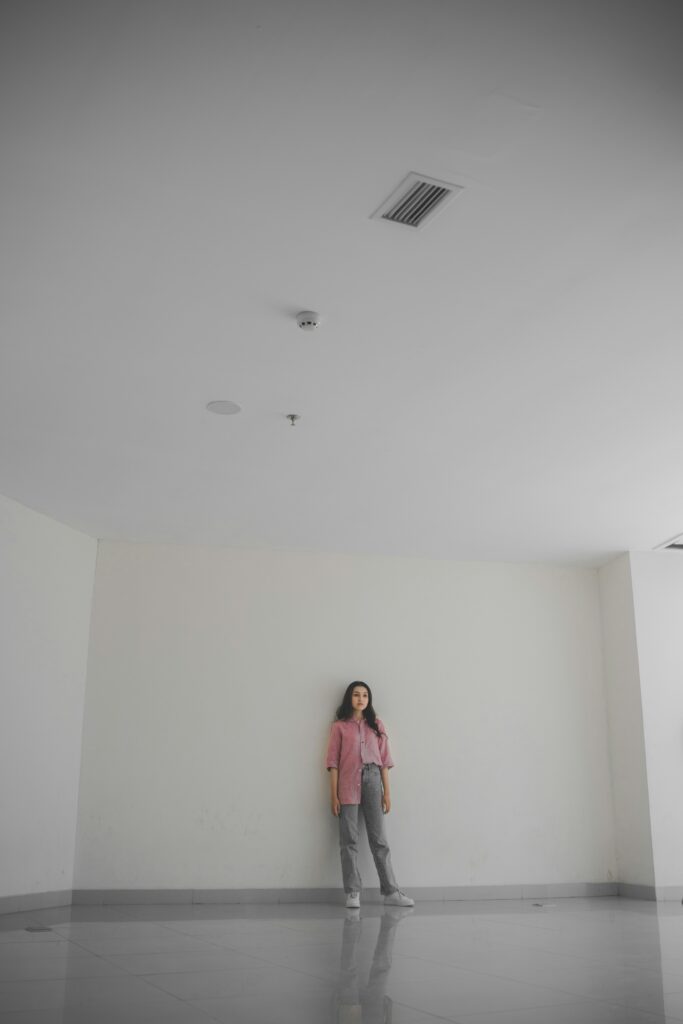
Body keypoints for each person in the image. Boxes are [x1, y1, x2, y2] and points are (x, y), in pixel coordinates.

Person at [326, 681, 414, 909]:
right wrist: (333, 795)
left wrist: (387, 794)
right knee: (349, 841)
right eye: (356, 695)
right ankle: (353, 891)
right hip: (347, 784)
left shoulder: (376, 725)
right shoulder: (339, 727)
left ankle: (391, 892)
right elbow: (333, 762)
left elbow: (385, 762)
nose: (361, 699)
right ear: (349, 698)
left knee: (380, 840)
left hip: (374, 780)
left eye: (365, 695)